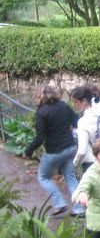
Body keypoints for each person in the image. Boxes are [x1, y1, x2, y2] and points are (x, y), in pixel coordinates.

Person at [23, 85, 83, 217]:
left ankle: (60, 203)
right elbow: (77, 121)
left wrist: (28, 151)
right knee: (71, 177)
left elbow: (40, 137)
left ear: (40, 97)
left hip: (55, 151)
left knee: (43, 177)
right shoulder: (63, 106)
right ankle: (79, 209)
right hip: (70, 148)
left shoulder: (42, 113)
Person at [70, 85, 99, 172]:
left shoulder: (83, 121)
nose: (73, 105)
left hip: (91, 164)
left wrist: (74, 165)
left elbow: (82, 151)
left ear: (84, 101)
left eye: (75, 102)